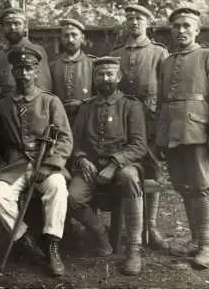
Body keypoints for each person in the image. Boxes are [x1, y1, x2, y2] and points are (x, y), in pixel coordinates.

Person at [156, 7, 209, 269]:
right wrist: (159, 136)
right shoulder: (166, 62)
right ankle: (194, 241)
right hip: (171, 133)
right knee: (182, 186)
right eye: (176, 26)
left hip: (197, 132)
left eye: (187, 26)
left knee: (201, 187)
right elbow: (160, 101)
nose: (181, 30)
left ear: (197, 29)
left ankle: (206, 247)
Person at [0, 43, 73, 277]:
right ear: (13, 72)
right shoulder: (1, 105)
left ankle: (52, 245)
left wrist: (50, 165)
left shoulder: (50, 101)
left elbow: (65, 139)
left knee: (57, 187)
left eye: (29, 68)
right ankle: (26, 242)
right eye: (19, 68)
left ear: (37, 72)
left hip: (44, 163)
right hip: (13, 166)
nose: (24, 73)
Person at [68, 56, 148, 275]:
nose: (105, 78)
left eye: (109, 74)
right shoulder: (86, 107)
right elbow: (75, 141)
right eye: (100, 74)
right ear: (94, 78)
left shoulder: (131, 105)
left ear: (118, 77)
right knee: (72, 198)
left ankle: (133, 249)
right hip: (91, 167)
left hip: (123, 166)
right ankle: (100, 233)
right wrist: (82, 158)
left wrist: (114, 164)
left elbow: (139, 145)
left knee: (130, 177)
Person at [110, 4, 169, 250]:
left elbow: (166, 91)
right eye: (130, 18)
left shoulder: (158, 52)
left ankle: (151, 227)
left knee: (153, 171)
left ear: (147, 23)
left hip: (151, 120)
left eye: (139, 19)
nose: (134, 22)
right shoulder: (117, 53)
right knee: (126, 170)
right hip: (123, 122)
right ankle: (123, 226)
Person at [0, 7, 52, 110]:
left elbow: (44, 87)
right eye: (8, 24)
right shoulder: (0, 56)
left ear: (25, 27)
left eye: (17, 24)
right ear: (2, 28)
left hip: (27, 110)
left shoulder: (36, 51)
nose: (12, 27)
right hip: (2, 112)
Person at [50, 19, 96, 125]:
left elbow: (101, 95)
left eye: (74, 35)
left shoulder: (93, 64)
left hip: (87, 121)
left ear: (82, 38)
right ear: (61, 39)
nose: (70, 40)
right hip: (60, 121)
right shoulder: (52, 66)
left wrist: (83, 104)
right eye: (66, 36)